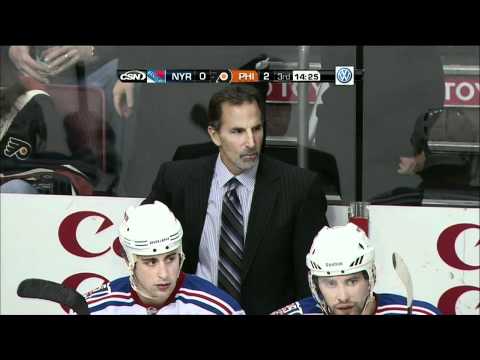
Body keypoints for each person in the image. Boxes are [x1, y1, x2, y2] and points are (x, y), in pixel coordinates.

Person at [143, 85, 328, 314]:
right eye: (238, 131)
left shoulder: (299, 188)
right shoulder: (177, 179)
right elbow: (139, 244)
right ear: (214, 135)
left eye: (257, 129)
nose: (251, 142)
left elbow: (313, 279)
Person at [84, 201, 244, 315]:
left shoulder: (219, 308)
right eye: (151, 261)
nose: (164, 274)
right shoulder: (94, 308)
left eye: (170, 258)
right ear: (128, 261)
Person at [272, 223, 441, 315]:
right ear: (315, 285)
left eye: (352, 281)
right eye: (330, 283)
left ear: (370, 278)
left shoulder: (423, 313)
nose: (343, 296)